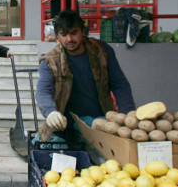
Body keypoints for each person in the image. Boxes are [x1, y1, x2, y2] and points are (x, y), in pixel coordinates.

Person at [36, 10, 135, 141]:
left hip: (100, 121)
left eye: (74, 33)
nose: (69, 39)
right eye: (64, 35)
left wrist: (127, 116)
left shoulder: (102, 51)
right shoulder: (50, 61)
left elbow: (120, 84)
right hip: (65, 124)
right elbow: (43, 91)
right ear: (57, 36)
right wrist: (50, 112)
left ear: (82, 31)